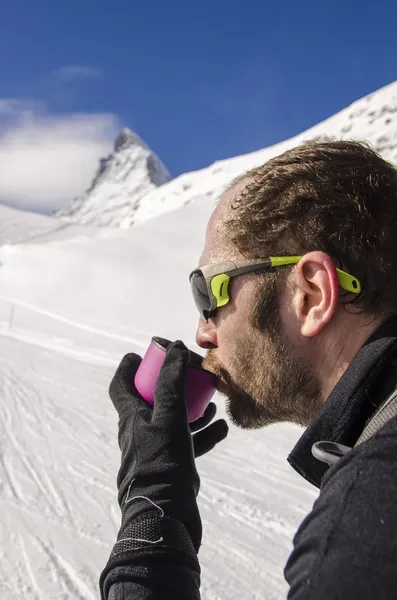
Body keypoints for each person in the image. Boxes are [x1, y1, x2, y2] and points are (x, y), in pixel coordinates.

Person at [100, 140, 397, 599]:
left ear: (311, 296)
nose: (202, 332)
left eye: (209, 293)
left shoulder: (370, 514)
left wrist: (151, 510)